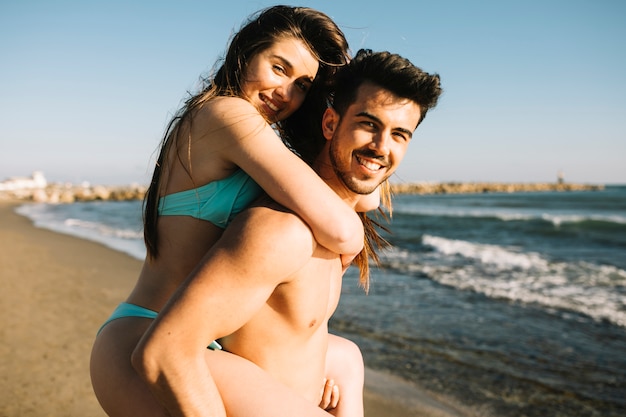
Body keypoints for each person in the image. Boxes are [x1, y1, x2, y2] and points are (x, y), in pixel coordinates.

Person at [90, 5, 375, 416]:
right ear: (246, 52)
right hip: (149, 334)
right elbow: (343, 228)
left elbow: (366, 196)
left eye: (303, 85)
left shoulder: (249, 134)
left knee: (345, 359)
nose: (287, 93)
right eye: (279, 68)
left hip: (205, 343)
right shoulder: (226, 114)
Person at [131, 48, 443, 417]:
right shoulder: (283, 232)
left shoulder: (336, 228)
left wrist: (310, 383)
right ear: (330, 124)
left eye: (399, 135)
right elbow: (164, 352)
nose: (381, 147)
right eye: (369, 124)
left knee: (347, 358)